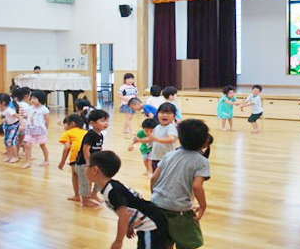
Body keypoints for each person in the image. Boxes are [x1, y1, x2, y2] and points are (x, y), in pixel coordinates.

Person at [86, 151, 168, 249]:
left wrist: (118, 241)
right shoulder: (111, 187)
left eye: (87, 166)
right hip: (147, 223)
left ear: (95, 170)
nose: (84, 168)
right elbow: (131, 207)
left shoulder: (112, 190)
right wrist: (130, 226)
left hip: (152, 225)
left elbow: (123, 215)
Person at [151, 119, 211, 249]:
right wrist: (203, 206)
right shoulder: (201, 161)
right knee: (188, 242)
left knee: (165, 241)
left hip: (157, 205)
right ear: (205, 141)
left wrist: (155, 196)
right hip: (179, 211)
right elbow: (197, 186)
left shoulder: (170, 155)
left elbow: (154, 178)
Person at [75, 109, 110, 207]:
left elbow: (99, 148)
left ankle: (94, 194)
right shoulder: (90, 134)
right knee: (85, 183)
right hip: (84, 164)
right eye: (103, 121)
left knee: (101, 178)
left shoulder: (100, 135)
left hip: (95, 164)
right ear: (92, 123)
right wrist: (88, 163)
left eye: (107, 121)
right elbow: (85, 149)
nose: (106, 123)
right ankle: (85, 201)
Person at [58, 114, 87, 202]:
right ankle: (88, 195)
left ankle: (77, 195)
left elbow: (67, 147)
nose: (64, 127)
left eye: (65, 124)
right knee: (87, 176)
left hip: (76, 157)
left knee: (75, 175)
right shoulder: (85, 131)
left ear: (72, 124)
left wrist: (62, 162)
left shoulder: (67, 133)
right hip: (89, 156)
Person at [146, 103, 178, 172]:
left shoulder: (171, 127)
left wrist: (156, 139)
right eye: (162, 112)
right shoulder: (157, 127)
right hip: (155, 157)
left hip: (166, 159)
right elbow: (152, 139)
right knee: (156, 178)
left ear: (174, 116)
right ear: (157, 114)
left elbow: (172, 139)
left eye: (168, 113)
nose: (165, 115)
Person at [23, 90, 50, 169]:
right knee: (27, 145)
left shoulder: (44, 109)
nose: (32, 100)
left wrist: (45, 129)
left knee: (42, 145)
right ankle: (27, 162)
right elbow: (29, 117)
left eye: (35, 98)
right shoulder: (29, 108)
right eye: (32, 98)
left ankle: (46, 160)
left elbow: (47, 120)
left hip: (40, 130)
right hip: (30, 129)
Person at [0, 93, 21, 163]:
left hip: (14, 126)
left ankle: (15, 156)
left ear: (3, 103)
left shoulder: (9, 110)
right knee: (6, 141)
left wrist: (22, 125)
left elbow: (19, 117)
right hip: (6, 125)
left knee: (11, 141)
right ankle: (9, 156)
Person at [12, 87, 30, 157]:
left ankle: (16, 153)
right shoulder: (26, 105)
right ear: (26, 96)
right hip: (24, 125)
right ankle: (25, 152)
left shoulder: (15, 104)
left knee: (18, 141)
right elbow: (26, 115)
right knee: (25, 140)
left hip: (16, 125)